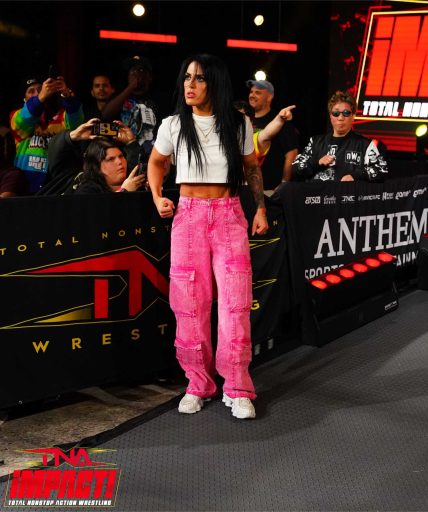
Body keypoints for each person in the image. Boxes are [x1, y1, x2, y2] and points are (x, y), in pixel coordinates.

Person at [147, 54, 268, 420]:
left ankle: (238, 387)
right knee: (189, 304)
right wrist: (157, 196)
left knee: (235, 304)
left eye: (199, 78)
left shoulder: (237, 122)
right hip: (188, 217)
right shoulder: (173, 125)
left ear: (214, 83)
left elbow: (251, 167)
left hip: (229, 214)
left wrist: (260, 208)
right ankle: (198, 384)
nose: (190, 84)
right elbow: (156, 162)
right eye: (187, 77)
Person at [292, 90, 388, 182]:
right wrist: (317, 162)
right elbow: (296, 168)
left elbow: (382, 170)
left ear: (353, 116)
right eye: (336, 113)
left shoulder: (365, 144)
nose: (340, 118)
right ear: (330, 116)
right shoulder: (315, 142)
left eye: (346, 113)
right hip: (316, 192)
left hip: (346, 193)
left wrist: (356, 176)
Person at [10, 75, 84, 193]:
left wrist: (67, 96)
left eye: (40, 89)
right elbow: (25, 118)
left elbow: (76, 122)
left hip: (58, 186)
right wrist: (40, 98)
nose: (37, 93)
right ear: (24, 99)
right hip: (25, 187)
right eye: (31, 91)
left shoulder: (62, 117)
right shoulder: (16, 116)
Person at [246, 79, 298, 189]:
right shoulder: (244, 119)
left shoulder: (281, 119)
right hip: (246, 188)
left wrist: (284, 184)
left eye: (257, 92)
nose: (252, 95)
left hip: (269, 189)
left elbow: (292, 154)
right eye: (251, 92)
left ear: (269, 97)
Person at [101, 56, 159, 151]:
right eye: (132, 70)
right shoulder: (120, 95)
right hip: (123, 152)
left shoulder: (157, 98)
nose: (135, 73)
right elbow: (106, 115)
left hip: (149, 151)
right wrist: (131, 87)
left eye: (140, 70)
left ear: (149, 77)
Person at [74, 138, 145, 194]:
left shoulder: (136, 181)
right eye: (110, 159)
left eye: (121, 156)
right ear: (96, 167)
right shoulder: (86, 191)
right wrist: (124, 191)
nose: (119, 162)